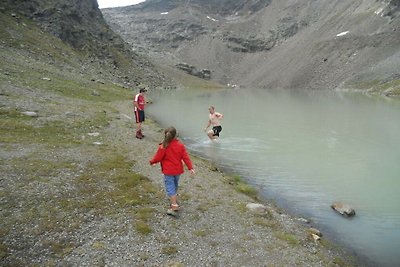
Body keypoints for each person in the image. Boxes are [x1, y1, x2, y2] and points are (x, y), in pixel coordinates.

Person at [149, 126, 195, 215]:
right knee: (174, 184)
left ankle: (174, 206)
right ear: (175, 136)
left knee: (170, 186)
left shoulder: (163, 146)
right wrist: (190, 168)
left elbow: (158, 157)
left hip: (168, 171)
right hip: (178, 170)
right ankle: (173, 198)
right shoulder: (180, 145)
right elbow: (186, 157)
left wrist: (152, 162)